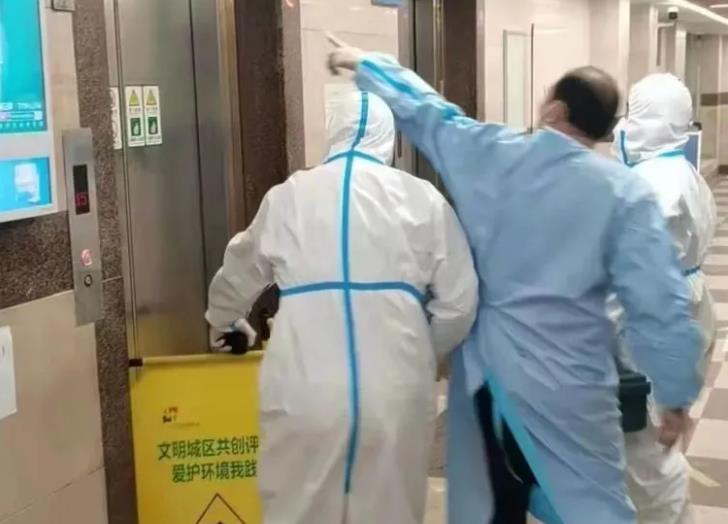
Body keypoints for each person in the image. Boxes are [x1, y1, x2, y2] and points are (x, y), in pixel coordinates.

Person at [328, 38, 703, 524]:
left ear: (555, 110)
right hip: (571, 387)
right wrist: (675, 393)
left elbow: (428, 111)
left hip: (489, 382)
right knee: (593, 509)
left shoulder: (492, 153)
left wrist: (367, 63)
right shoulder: (623, 193)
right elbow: (658, 302)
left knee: (489, 508)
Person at [206, 90, 478, 524]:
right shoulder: (422, 199)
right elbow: (460, 302)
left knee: (298, 510)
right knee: (391, 511)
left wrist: (223, 320)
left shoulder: (289, 197)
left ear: (333, 132)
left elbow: (239, 269)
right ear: (391, 140)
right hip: (395, 393)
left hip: (305, 392)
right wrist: (420, 351)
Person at [610, 73, 717, 524]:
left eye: (632, 115)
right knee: (653, 450)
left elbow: (638, 281)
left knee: (649, 459)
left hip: (653, 328)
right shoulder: (678, 171)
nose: (622, 127)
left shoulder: (654, 186)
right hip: (683, 311)